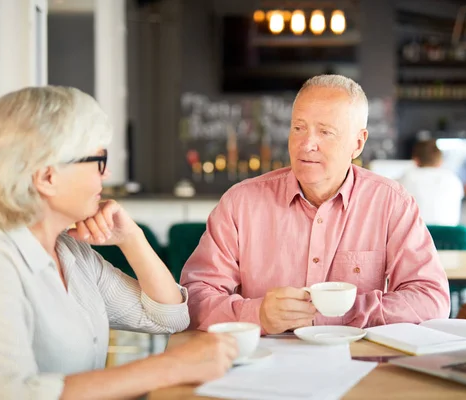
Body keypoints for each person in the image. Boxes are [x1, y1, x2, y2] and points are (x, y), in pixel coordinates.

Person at [0, 86, 238, 400]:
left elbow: (171, 318)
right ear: (47, 177)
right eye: (98, 160)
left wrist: (131, 239)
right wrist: (169, 367)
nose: (106, 173)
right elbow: (7, 394)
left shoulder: (71, 252)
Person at [181, 75, 450, 335]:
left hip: (357, 364)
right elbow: (193, 298)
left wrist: (340, 312)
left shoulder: (391, 202)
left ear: (358, 143)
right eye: (298, 128)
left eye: (325, 132)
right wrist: (256, 314)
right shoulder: (240, 203)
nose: (307, 144)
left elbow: (431, 299)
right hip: (264, 365)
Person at [398, 139, 464, 226]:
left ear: (415, 160)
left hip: (417, 237)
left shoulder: (407, 178)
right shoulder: (453, 179)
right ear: (440, 161)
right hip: (449, 237)